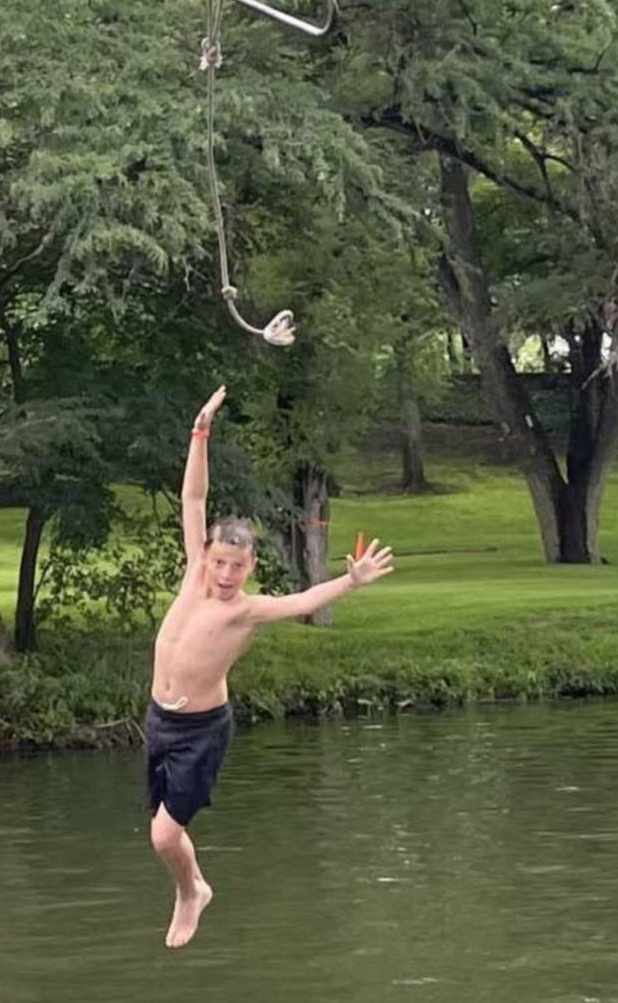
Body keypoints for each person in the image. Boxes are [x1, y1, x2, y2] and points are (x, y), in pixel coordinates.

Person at [146, 385, 394, 949]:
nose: (226, 574)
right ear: (206, 557)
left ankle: (191, 893)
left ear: (251, 566)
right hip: (159, 718)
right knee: (161, 833)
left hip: (200, 731)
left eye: (238, 565)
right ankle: (193, 886)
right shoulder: (193, 576)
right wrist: (200, 431)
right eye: (219, 562)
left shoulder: (247, 610)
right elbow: (192, 499)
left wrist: (349, 581)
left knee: (164, 835)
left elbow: (305, 602)